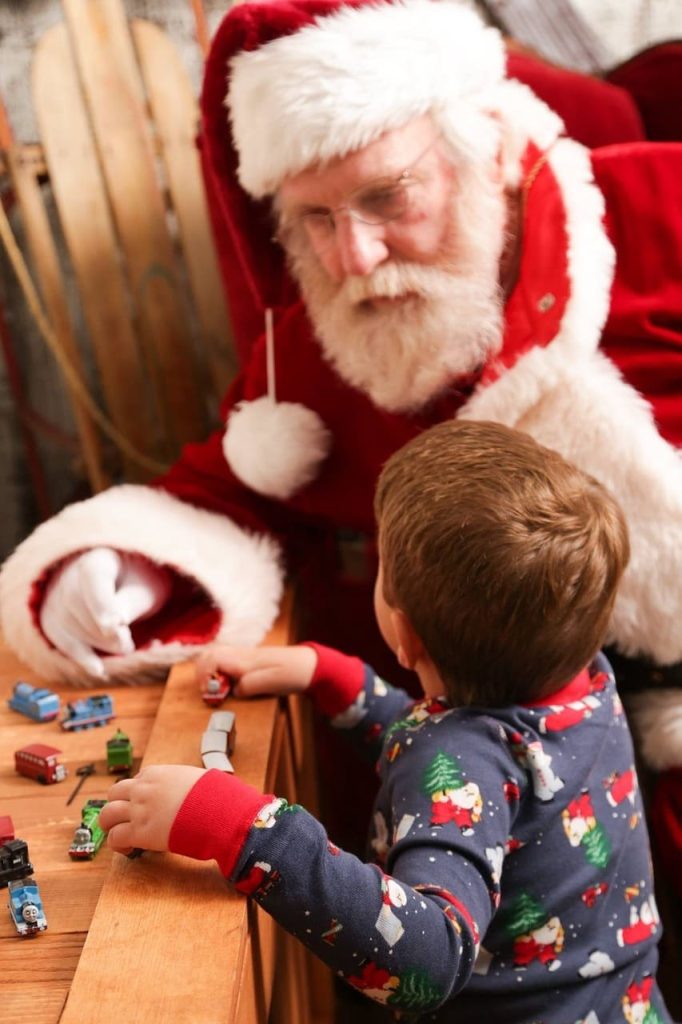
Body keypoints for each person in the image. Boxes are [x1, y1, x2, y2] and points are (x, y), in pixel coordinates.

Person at [1, 0, 681, 864]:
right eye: (315, 220)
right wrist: (123, 565)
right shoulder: (331, 347)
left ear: (492, 153)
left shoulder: (660, 205)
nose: (353, 258)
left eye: (387, 196)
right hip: (499, 846)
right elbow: (223, 489)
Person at [99, 420, 672, 1023]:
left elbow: (425, 958)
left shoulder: (467, 754)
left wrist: (245, 828)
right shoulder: (587, 682)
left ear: (402, 634)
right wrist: (339, 680)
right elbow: (480, 774)